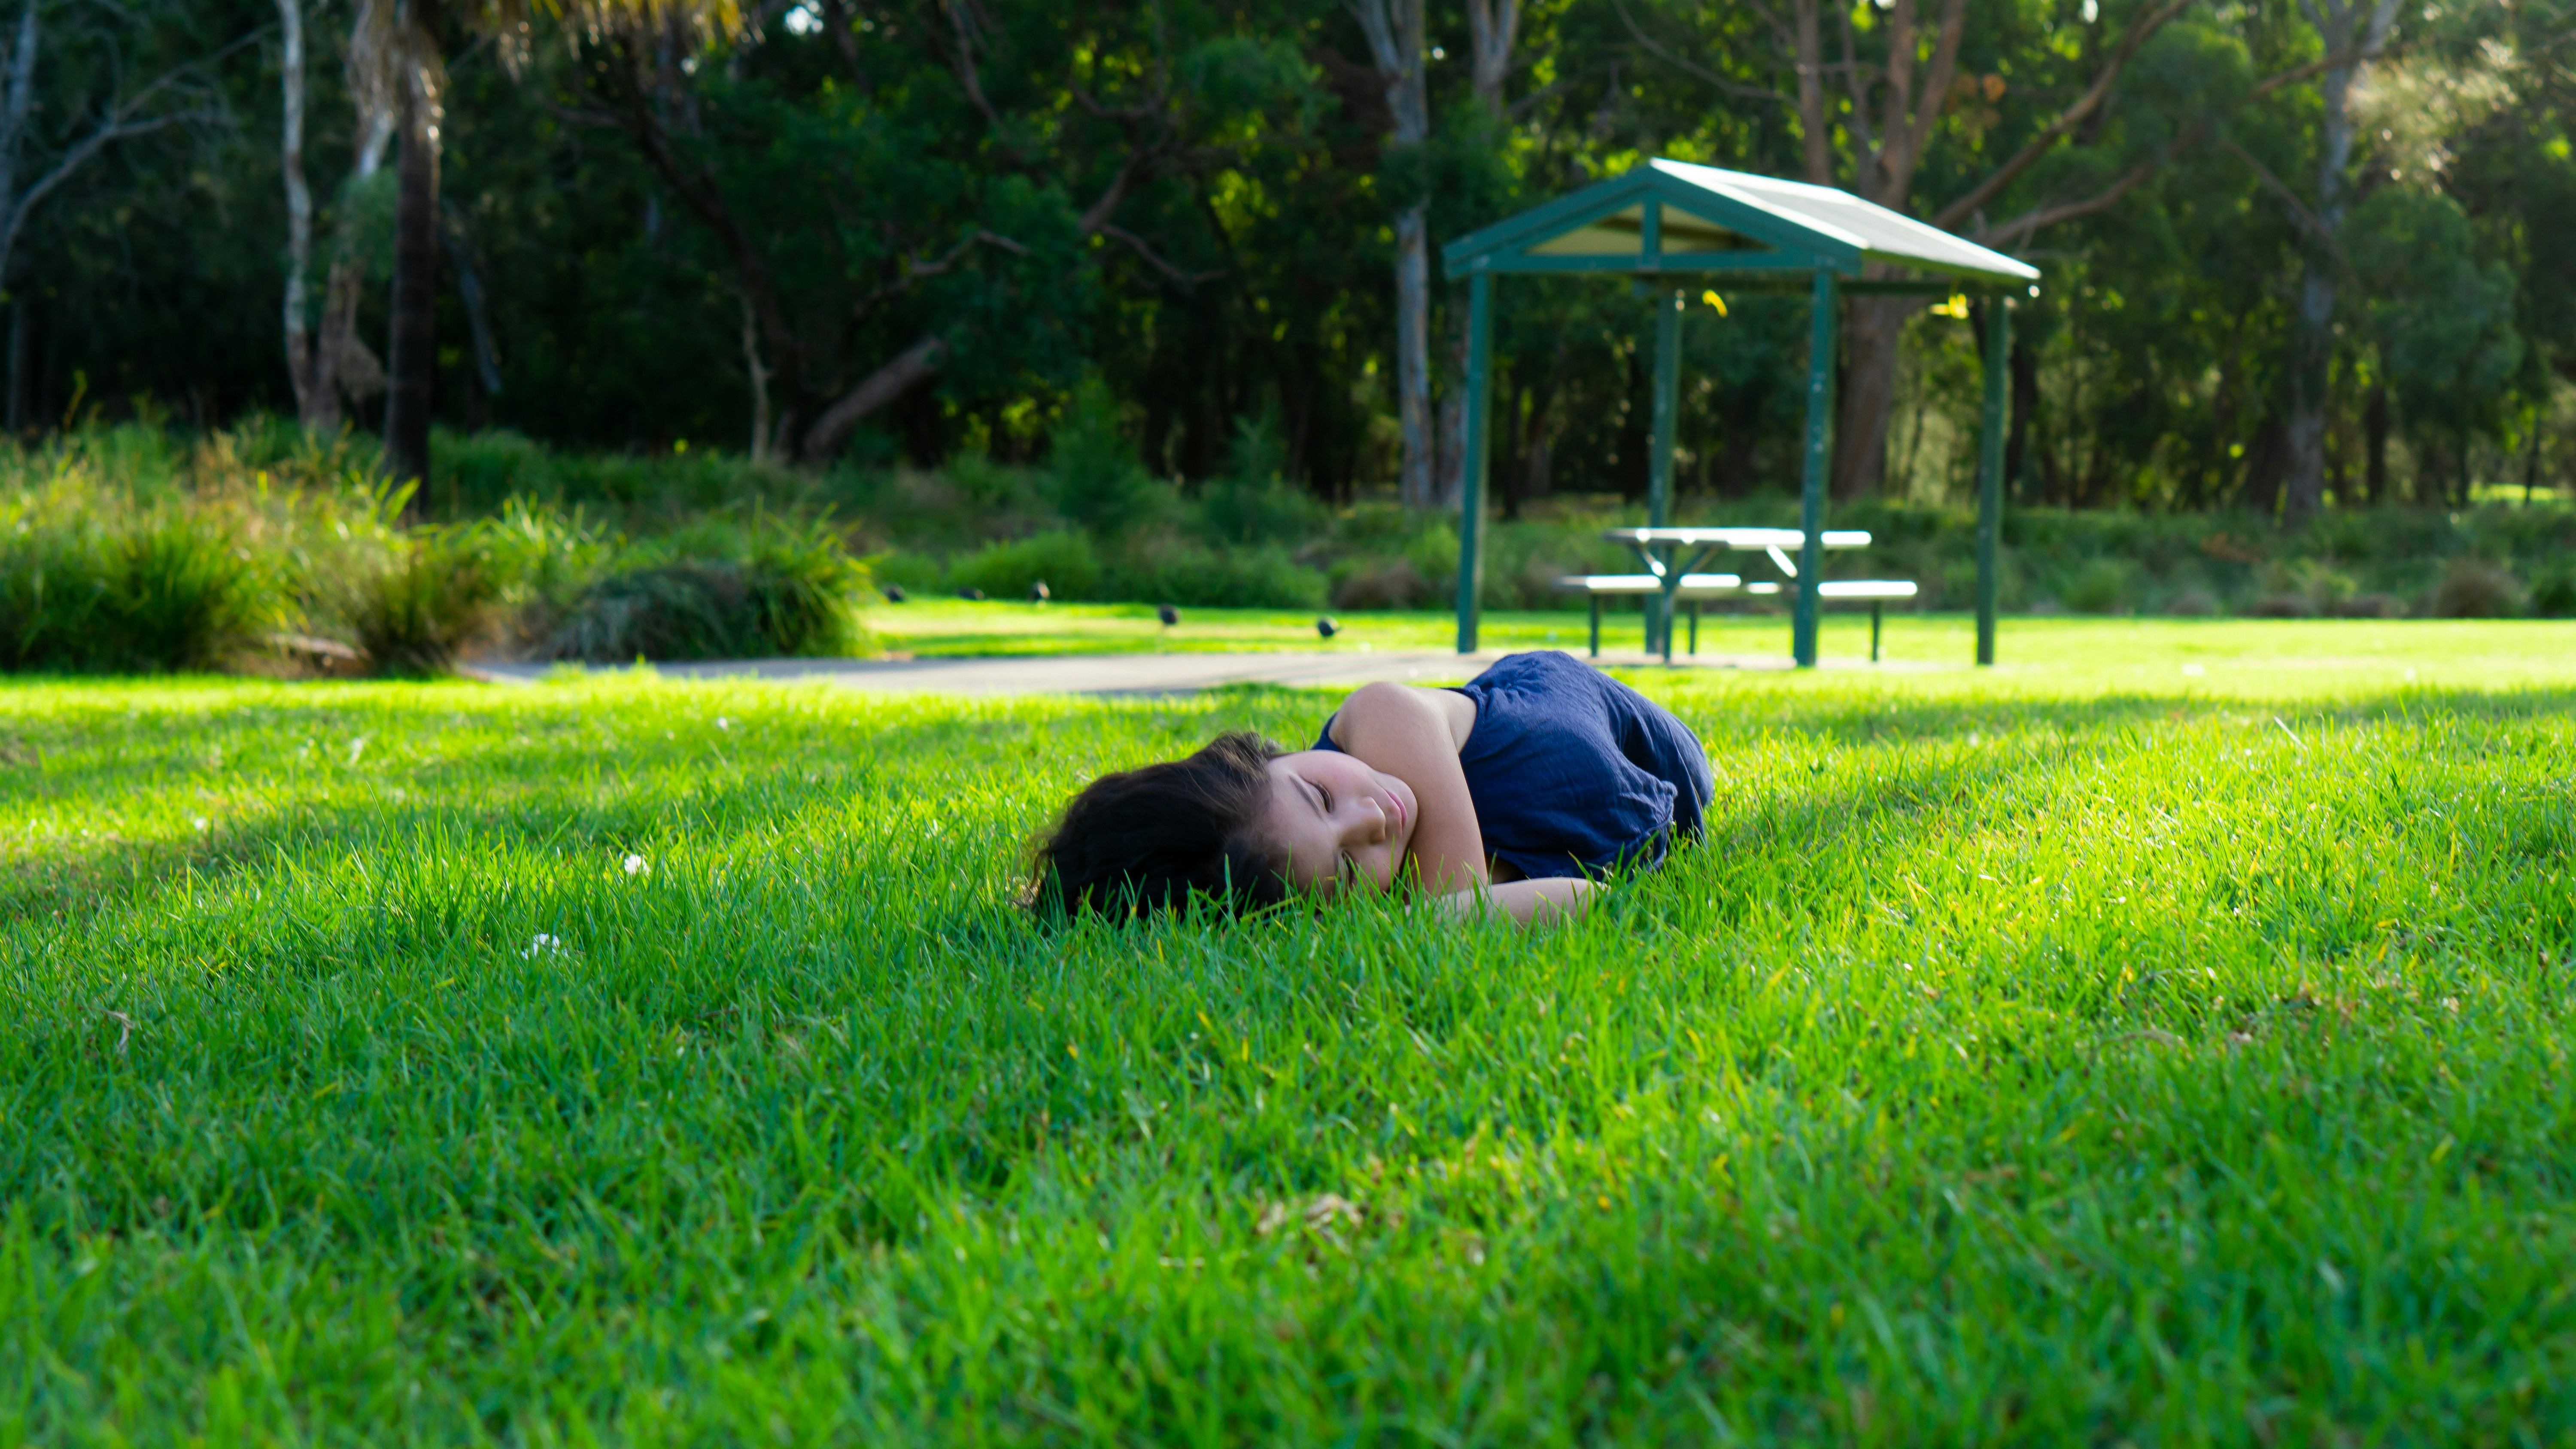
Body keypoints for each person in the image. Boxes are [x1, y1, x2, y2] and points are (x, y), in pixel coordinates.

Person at [1033, 651, 1713, 925]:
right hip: (1671, 825)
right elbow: (1584, 901)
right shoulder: (1405, 896)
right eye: (1350, 868)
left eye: (1320, 796)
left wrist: (1431, 919)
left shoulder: (1381, 718)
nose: (1370, 822)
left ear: (1271, 756)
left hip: (1622, 732)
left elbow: (1468, 903)